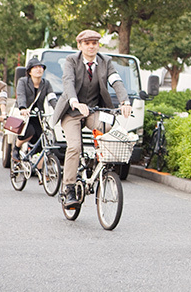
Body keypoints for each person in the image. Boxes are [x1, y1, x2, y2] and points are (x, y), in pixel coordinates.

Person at [52, 30, 132, 209]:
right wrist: (74, 101)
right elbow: (68, 82)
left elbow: (116, 81)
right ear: (80, 46)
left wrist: (125, 101)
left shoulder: (106, 62)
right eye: (87, 43)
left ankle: (101, 167)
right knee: (74, 146)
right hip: (71, 112)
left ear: (98, 45)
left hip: (93, 110)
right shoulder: (71, 61)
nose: (91, 46)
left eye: (94, 43)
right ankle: (69, 188)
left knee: (108, 128)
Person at [12, 58, 58, 164]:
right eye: (35, 67)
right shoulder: (23, 81)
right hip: (24, 114)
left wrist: (58, 109)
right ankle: (16, 148)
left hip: (38, 114)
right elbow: (21, 95)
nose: (39, 69)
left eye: (40, 67)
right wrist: (23, 108)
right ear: (29, 71)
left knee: (43, 139)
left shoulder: (46, 83)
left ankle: (42, 174)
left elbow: (52, 98)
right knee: (29, 131)